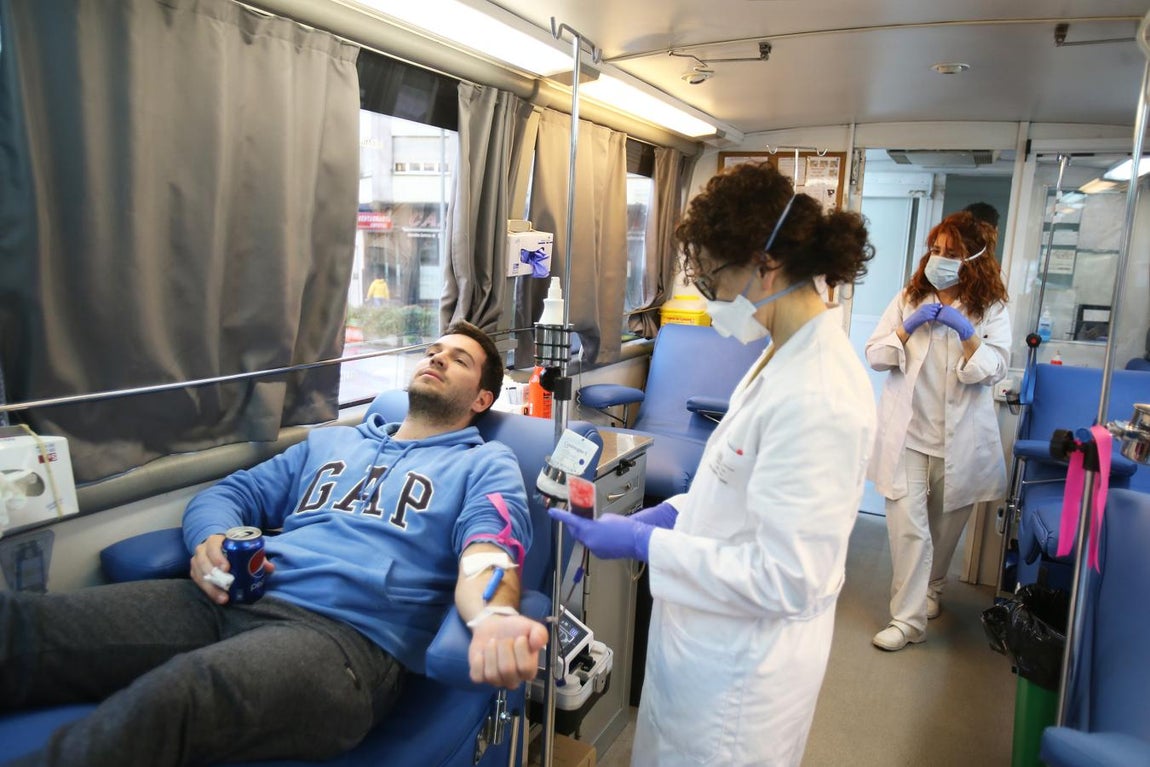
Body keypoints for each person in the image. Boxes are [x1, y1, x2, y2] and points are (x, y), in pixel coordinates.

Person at [0, 321, 548, 767]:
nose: (436, 358)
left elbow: (491, 547)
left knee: (178, 695)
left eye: (458, 358)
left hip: (342, 642)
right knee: (27, 625)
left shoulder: (484, 463)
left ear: (482, 397)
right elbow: (231, 494)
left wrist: (493, 615)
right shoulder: (331, 442)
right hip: (235, 596)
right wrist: (209, 541)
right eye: (434, 350)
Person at [551, 162, 877, 766]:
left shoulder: (821, 393)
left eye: (712, 278)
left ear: (764, 263)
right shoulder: (779, 357)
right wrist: (667, 514)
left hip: (741, 681)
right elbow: (733, 493)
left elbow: (788, 577)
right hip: (704, 649)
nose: (711, 297)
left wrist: (648, 547)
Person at [865, 211, 1011, 652]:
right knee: (910, 530)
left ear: (975, 260)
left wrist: (968, 334)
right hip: (908, 437)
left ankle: (932, 589)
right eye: (937, 250)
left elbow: (994, 369)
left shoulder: (991, 308)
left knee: (944, 534)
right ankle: (905, 621)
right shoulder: (910, 298)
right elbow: (876, 355)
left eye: (953, 253)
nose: (941, 259)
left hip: (959, 445)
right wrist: (905, 329)